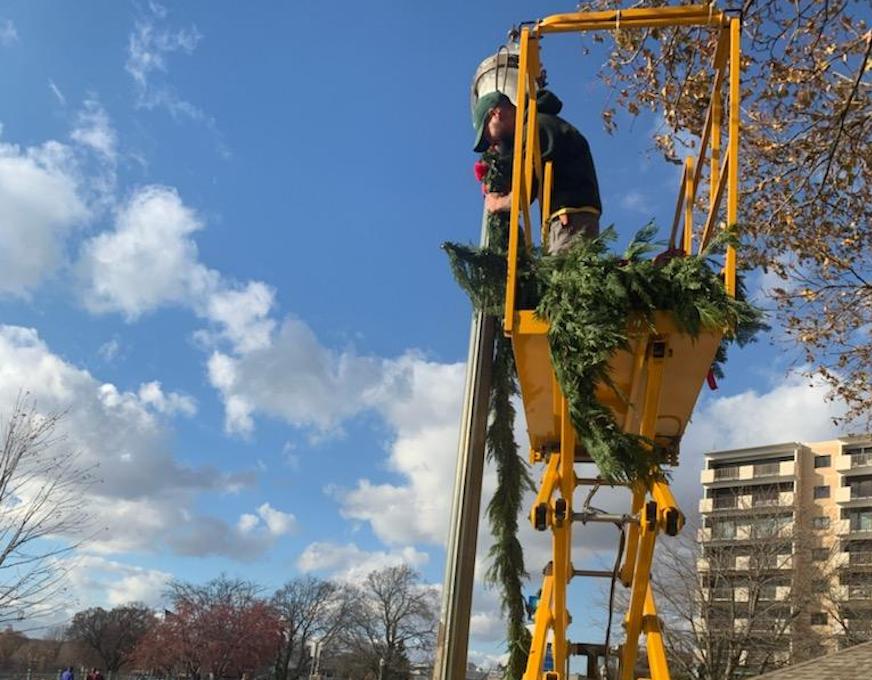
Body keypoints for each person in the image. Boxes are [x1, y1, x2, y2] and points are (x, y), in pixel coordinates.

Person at [472, 89, 602, 254]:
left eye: (487, 134)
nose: (491, 143)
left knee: (563, 277)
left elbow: (523, 193)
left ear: (496, 113)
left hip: (569, 219)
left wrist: (497, 203)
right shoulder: (540, 124)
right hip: (571, 215)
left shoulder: (534, 128)